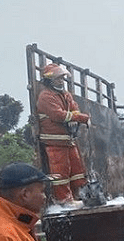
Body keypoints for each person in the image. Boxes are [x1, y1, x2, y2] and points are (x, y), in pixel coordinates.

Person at [35, 63, 90, 204]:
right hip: (54, 142)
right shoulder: (45, 96)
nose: (61, 81)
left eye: (62, 78)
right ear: (49, 80)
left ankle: (79, 197)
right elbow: (57, 115)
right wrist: (80, 118)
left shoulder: (65, 95)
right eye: (58, 78)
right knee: (60, 174)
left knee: (77, 171)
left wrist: (74, 115)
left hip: (68, 140)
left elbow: (74, 108)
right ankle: (64, 201)